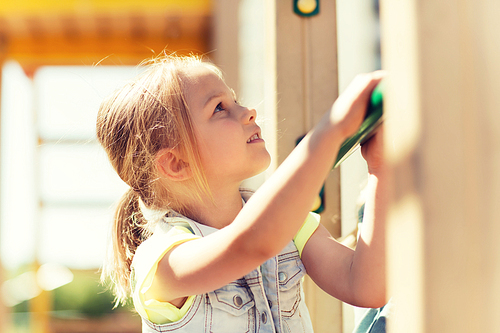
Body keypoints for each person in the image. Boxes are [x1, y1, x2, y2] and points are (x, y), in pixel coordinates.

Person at [97, 54, 387, 332]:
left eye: (234, 100)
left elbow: (365, 286)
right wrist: (331, 130)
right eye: (219, 108)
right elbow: (250, 245)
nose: (249, 112)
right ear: (176, 162)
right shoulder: (161, 263)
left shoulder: (289, 225)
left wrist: (380, 169)